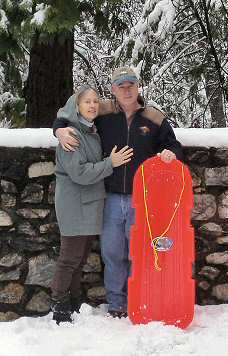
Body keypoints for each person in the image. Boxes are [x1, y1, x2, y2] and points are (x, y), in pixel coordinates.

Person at [53, 67, 183, 319]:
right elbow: (69, 113)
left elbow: (173, 144)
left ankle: (139, 299)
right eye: (120, 85)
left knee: (140, 253)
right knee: (112, 254)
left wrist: (172, 154)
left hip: (141, 199)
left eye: (130, 85)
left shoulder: (154, 117)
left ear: (137, 87)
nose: (126, 89)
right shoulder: (103, 110)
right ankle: (116, 304)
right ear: (112, 89)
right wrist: (58, 129)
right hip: (109, 197)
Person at [51, 84, 133, 324]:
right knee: (69, 258)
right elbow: (80, 174)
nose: (93, 105)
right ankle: (59, 302)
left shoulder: (90, 130)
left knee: (80, 257)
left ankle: (73, 301)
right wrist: (112, 163)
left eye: (96, 101)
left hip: (90, 204)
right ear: (76, 106)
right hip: (74, 205)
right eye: (87, 101)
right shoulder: (72, 135)